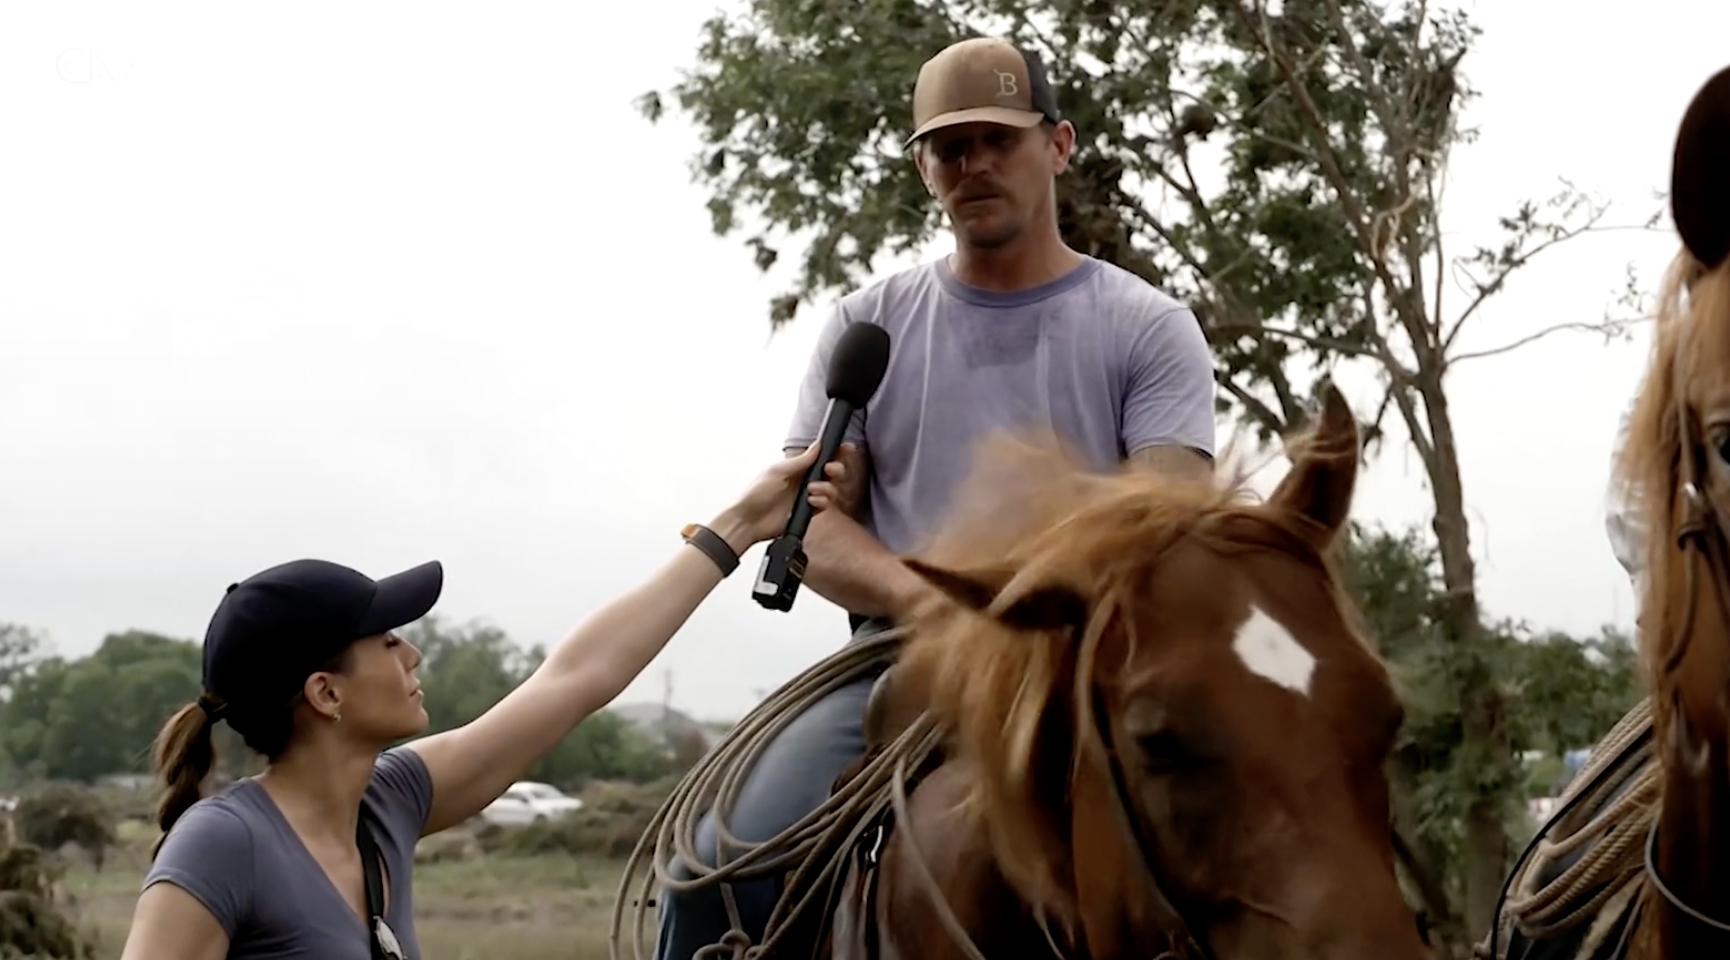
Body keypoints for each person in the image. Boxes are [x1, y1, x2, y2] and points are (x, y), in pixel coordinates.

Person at [654, 35, 1218, 960]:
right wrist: (935, 602)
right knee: (725, 865)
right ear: (924, 167)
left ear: (1059, 145)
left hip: (1092, 660)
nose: (975, 163)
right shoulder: (866, 327)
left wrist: (1032, 616)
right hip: (896, 662)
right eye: (950, 147)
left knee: (1263, 847)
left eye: (999, 138)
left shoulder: (1147, 329)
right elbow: (813, 527)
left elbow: (1166, 524)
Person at [117, 440, 849, 960]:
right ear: (325, 692)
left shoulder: (388, 803)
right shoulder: (222, 845)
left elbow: (575, 679)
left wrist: (742, 524)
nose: (413, 652)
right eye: (386, 642)